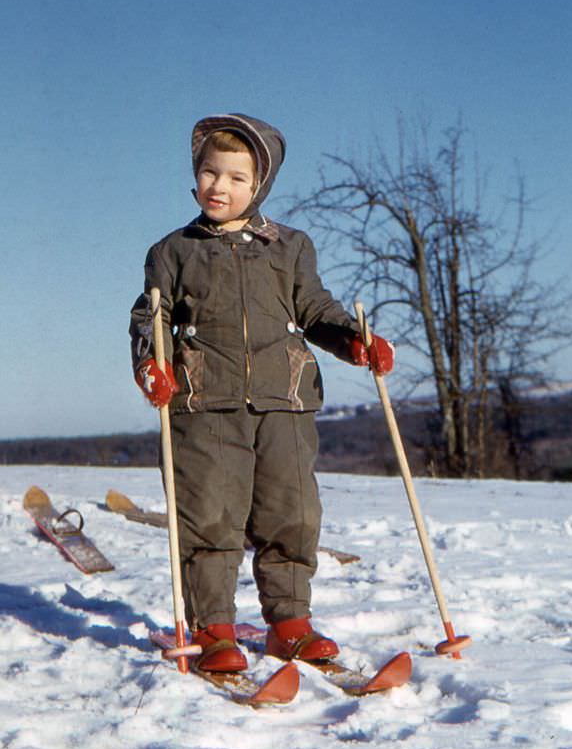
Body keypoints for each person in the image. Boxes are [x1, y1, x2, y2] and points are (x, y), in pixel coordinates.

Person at [130, 113, 394, 673]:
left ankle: (290, 623)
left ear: (259, 186)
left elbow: (315, 310)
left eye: (236, 178)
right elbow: (149, 319)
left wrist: (354, 341)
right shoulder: (173, 251)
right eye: (209, 173)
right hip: (205, 405)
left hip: (285, 402)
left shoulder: (290, 247)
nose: (219, 187)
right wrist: (152, 363)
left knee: (291, 512)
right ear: (194, 177)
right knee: (210, 516)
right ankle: (215, 630)